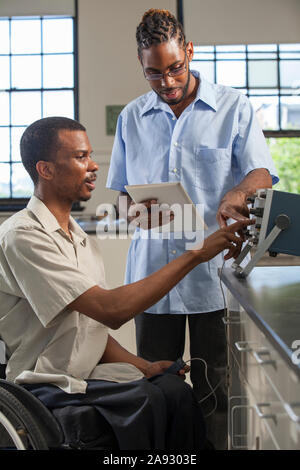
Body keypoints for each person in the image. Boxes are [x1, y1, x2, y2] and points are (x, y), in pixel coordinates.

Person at [0, 117, 251, 450]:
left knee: (175, 391)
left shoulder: (78, 237)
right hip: (45, 384)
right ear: (45, 170)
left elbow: (88, 329)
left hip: (80, 376)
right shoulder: (24, 236)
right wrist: (197, 254)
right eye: (79, 157)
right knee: (148, 402)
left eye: (90, 155)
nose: (92, 166)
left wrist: (145, 366)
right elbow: (112, 311)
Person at [106, 9, 279, 449]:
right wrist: (134, 212)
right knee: (153, 386)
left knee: (214, 389)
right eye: (153, 74)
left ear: (189, 52)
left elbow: (261, 171)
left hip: (213, 277)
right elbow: (123, 196)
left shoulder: (233, 106)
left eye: (174, 68)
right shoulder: (132, 118)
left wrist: (236, 194)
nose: (166, 82)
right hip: (153, 277)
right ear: (141, 67)